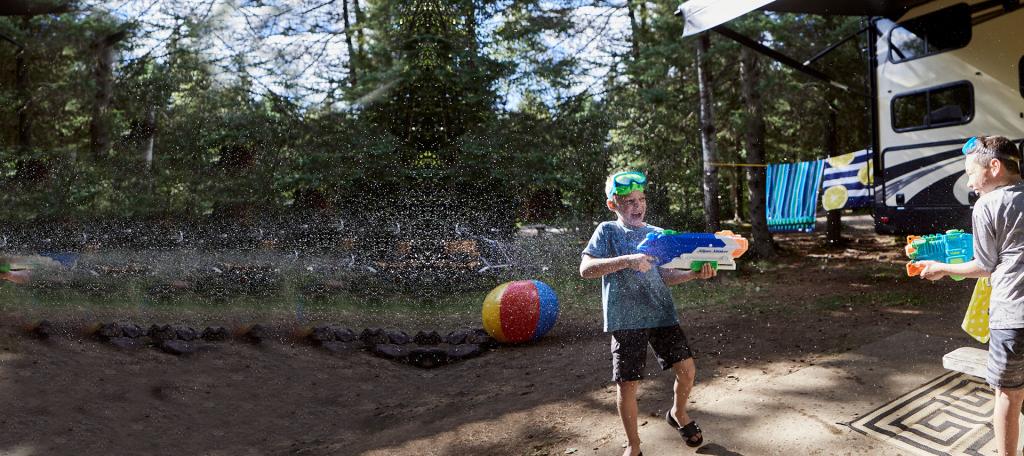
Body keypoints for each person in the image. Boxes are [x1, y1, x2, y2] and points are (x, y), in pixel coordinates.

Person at [579, 170, 716, 456]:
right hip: (626, 319)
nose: (637, 206)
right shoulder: (607, 231)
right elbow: (586, 269)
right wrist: (627, 260)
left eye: (641, 199)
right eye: (628, 201)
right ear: (612, 205)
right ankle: (634, 445)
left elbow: (664, 275)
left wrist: (693, 274)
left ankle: (678, 413)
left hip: (661, 314)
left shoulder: (656, 234)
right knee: (628, 384)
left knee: (687, 371)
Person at [918, 135, 1024, 456]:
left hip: (1012, 316)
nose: (969, 181)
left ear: (994, 167)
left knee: (1008, 394)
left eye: (971, 172)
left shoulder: (987, 205)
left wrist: (942, 267)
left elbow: (984, 265)